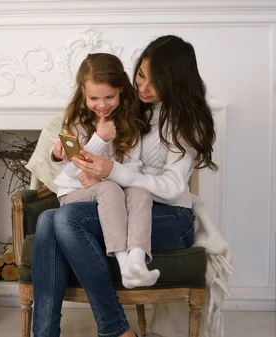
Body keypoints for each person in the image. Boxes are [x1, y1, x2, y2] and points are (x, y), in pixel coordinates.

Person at [31, 35, 217, 337]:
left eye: (155, 83)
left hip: (169, 217)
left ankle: (115, 328)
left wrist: (112, 172)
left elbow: (171, 188)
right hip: (127, 206)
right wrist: (68, 151)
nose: (143, 88)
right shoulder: (131, 105)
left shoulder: (186, 122)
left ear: (175, 82)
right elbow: (92, 145)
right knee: (47, 219)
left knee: (63, 219)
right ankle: (45, 333)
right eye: (141, 75)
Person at [50, 53, 159, 289]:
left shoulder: (130, 122)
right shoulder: (75, 122)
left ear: (121, 90)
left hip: (113, 189)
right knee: (108, 188)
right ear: (83, 93)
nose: (102, 105)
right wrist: (100, 139)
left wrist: (100, 174)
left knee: (140, 192)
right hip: (74, 194)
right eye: (93, 98)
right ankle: (123, 267)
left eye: (109, 97)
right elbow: (71, 173)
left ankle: (137, 260)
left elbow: (134, 167)